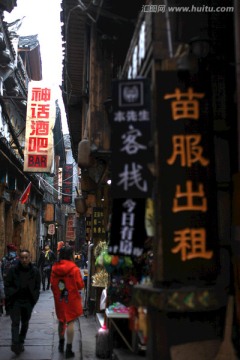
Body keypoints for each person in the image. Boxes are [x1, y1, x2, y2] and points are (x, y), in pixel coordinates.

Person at [4, 249, 41, 355]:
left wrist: (34, 298)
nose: (24, 260)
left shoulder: (34, 271)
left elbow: (37, 286)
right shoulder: (13, 270)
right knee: (15, 322)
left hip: (28, 301)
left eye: (26, 257)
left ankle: (21, 341)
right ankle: (15, 343)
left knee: (25, 323)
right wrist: (9, 296)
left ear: (29, 258)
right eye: (22, 258)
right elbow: (8, 284)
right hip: (15, 301)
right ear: (19, 258)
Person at [50, 246, 84, 358]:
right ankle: (68, 349)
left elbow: (52, 284)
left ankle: (61, 343)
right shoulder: (74, 269)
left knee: (61, 320)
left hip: (59, 299)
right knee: (70, 321)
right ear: (70, 255)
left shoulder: (55, 268)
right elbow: (80, 285)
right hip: (72, 298)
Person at [2, 243, 19, 314]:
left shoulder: (4, 259)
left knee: (7, 294)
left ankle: (7, 309)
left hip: (5, 277)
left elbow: (2, 268)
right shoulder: (17, 259)